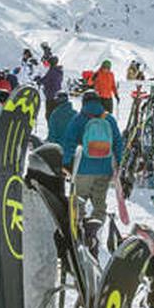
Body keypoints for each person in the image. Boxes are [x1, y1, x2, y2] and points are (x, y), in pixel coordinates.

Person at [60, 94, 124, 222]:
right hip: (104, 169)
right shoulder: (109, 119)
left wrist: (66, 163)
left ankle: (78, 231)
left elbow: (69, 143)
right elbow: (118, 142)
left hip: (83, 168)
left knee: (79, 202)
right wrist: (119, 162)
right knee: (99, 204)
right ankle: (96, 233)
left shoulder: (78, 119)